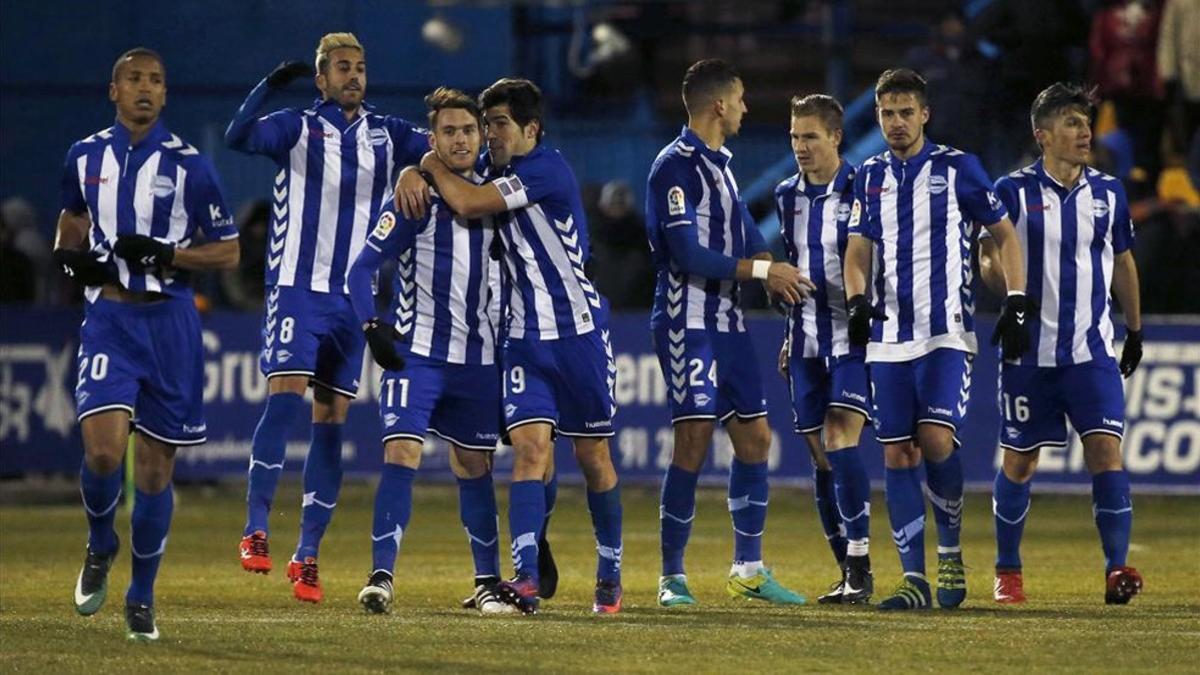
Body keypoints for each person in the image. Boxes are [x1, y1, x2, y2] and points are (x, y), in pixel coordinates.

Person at [224, 33, 429, 603]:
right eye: (342, 67)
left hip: (353, 299)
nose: (354, 76)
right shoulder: (296, 127)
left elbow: (448, 147)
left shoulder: (388, 135)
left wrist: (420, 170)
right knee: (285, 397)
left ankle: (307, 553)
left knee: (332, 419)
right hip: (297, 289)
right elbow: (237, 136)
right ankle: (255, 528)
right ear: (321, 79)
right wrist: (268, 86)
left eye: (360, 67)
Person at [410, 78, 623, 615]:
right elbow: (448, 170)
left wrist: (428, 164)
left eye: (499, 124)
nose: (488, 135)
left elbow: (467, 201)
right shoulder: (496, 170)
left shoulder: (545, 170)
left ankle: (610, 573)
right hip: (524, 341)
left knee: (593, 456)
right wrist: (412, 169)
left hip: (578, 336)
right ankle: (525, 577)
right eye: (487, 126)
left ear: (531, 129)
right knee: (530, 453)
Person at [56, 47, 240, 640]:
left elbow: (230, 250)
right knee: (105, 454)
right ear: (114, 90)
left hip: (171, 324)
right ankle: (100, 540)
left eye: (156, 80)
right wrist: (70, 259)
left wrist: (168, 256)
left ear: (165, 94)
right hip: (110, 319)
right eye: (134, 78)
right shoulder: (84, 155)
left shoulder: (192, 167)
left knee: (158, 473)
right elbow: (74, 216)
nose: (145, 88)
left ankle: (141, 594)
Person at [842, 68, 1030, 610]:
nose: (896, 123)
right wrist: (857, 302)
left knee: (936, 440)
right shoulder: (869, 176)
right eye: (886, 114)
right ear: (877, 117)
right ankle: (914, 579)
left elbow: (1004, 234)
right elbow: (858, 248)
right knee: (897, 453)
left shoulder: (959, 168)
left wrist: (1015, 299)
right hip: (888, 337)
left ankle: (949, 549)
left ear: (924, 114)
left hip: (946, 331)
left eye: (906, 113)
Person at [645, 59, 810, 608]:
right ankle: (672, 575)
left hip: (728, 320)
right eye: (739, 98)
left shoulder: (722, 167)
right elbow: (686, 253)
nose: (745, 107)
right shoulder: (675, 167)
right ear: (718, 105)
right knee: (693, 438)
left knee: (756, 437)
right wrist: (764, 271)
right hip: (685, 319)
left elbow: (742, 229)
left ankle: (749, 567)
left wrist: (768, 266)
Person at [346, 87, 510, 615]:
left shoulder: (503, 190)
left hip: (480, 357)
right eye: (448, 132)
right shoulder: (416, 198)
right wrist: (372, 325)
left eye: (467, 130)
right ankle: (381, 577)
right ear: (433, 138)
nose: (459, 140)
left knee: (473, 463)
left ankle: (487, 581)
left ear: (482, 133)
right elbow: (360, 269)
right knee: (402, 451)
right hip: (417, 352)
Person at [979, 82, 1144, 606]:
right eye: (1071, 123)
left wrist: (1135, 330)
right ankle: (1008, 571)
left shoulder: (1109, 192)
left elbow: (1121, 262)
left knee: (1106, 452)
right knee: (1020, 462)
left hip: (1089, 351)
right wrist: (1011, 297)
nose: (1084, 132)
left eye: (1085, 123)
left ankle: (1117, 569)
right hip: (1029, 352)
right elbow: (986, 257)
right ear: (1042, 134)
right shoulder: (1010, 190)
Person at [775, 94, 874, 605]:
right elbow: (793, 269)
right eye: (794, 137)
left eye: (810, 136)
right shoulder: (785, 195)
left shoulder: (864, 188)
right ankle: (846, 567)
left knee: (840, 437)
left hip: (856, 338)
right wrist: (791, 332)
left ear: (836, 137)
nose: (800, 147)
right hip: (807, 337)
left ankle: (860, 562)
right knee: (820, 457)